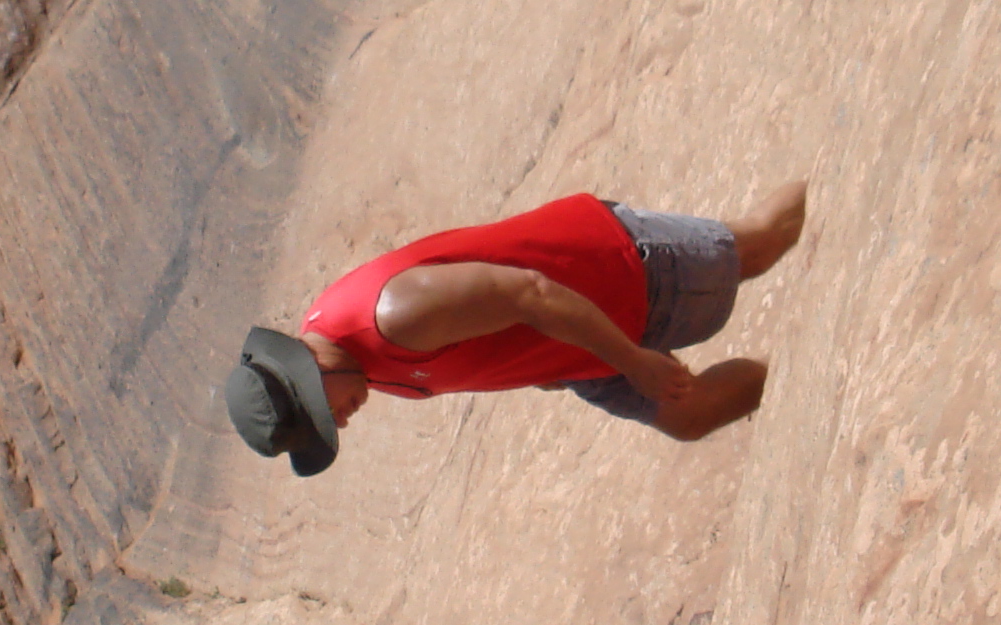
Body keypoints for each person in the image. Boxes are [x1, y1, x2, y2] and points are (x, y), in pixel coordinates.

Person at [224, 182, 806, 475]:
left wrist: (631, 361)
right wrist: (538, 371)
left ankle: (833, 178)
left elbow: (530, 292)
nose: (343, 423)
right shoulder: (345, 356)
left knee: (756, 247)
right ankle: (809, 374)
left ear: (312, 369)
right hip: (570, 347)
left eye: (327, 415)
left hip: (608, 270)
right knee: (689, 414)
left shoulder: (396, 315)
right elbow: (477, 341)